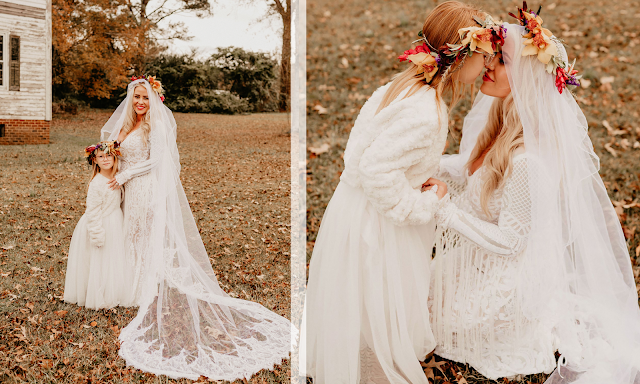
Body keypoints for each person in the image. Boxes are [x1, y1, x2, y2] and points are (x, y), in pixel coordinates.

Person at [427, 7, 640, 383]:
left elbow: (511, 242)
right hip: (476, 262)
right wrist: (420, 165)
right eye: (490, 57)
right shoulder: (502, 121)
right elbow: (469, 172)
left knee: (416, 315)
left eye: (501, 60)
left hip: (502, 290)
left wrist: (446, 212)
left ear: (526, 75)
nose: (488, 65)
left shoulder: (528, 162)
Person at [301, 2, 505, 383]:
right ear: (462, 58)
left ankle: (364, 350)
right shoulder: (424, 111)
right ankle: (372, 361)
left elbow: (365, 153)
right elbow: (377, 170)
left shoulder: (401, 88)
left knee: (365, 296)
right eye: (485, 57)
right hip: (378, 222)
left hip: (356, 208)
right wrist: (426, 202)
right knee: (380, 293)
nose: (488, 66)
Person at [100, 76, 293, 381]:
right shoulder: (127, 124)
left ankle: (144, 289)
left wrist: (126, 176)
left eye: (145, 98)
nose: (139, 102)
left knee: (145, 236)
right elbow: (114, 151)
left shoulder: (157, 126)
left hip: (145, 188)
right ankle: (129, 284)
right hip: (128, 191)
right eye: (136, 97)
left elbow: (158, 160)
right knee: (131, 235)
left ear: (154, 99)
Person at [64, 141, 134, 309]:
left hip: (114, 221)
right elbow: (93, 212)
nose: (105, 159)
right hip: (101, 225)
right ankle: (99, 294)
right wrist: (97, 234)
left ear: (115, 156)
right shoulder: (97, 183)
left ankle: (113, 290)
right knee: (100, 260)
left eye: (108, 155)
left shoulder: (116, 178)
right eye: (100, 157)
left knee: (112, 259)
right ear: (94, 160)